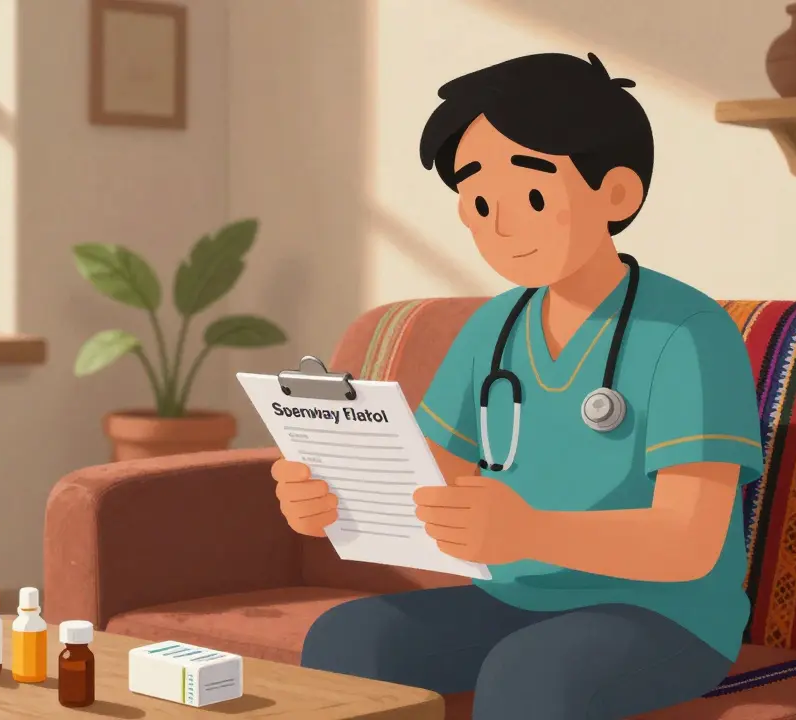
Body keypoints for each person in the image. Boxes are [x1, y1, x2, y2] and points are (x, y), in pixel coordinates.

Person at [271, 52, 764, 719]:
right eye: (479, 203)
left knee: (533, 671)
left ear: (617, 194)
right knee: (350, 637)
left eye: (531, 197)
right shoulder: (494, 327)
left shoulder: (687, 333)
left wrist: (530, 530)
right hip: (516, 597)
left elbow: (689, 541)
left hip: (666, 613)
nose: (499, 225)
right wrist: (334, 500)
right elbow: (430, 480)